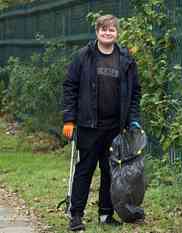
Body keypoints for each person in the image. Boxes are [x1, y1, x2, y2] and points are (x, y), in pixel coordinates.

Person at [62, 14, 141, 231]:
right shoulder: (83, 56)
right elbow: (70, 87)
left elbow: (135, 92)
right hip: (88, 126)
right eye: (103, 29)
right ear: (97, 32)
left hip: (115, 127)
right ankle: (76, 215)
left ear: (117, 33)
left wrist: (133, 120)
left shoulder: (126, 60)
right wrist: (69, 119)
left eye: (112, 29)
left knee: (110, 172)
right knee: (84, 170)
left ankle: (106, 215)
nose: (107, 32)